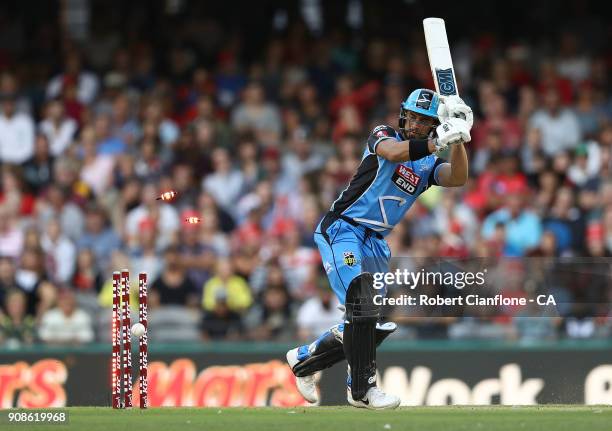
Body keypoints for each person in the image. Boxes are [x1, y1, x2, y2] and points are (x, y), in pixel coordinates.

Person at [285, 89, 472, 409]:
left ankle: (305, 359)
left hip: (376, 243)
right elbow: (395, 153)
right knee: (362, 305)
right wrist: (439, 139)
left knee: (364, 320)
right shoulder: (383, 134)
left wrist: (459, 140)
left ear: (433, 124)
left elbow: (457, 177)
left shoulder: (428, 164)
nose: (414, 124)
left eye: (423, 120)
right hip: (343, 229)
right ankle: (361, 391)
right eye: (411, 117)